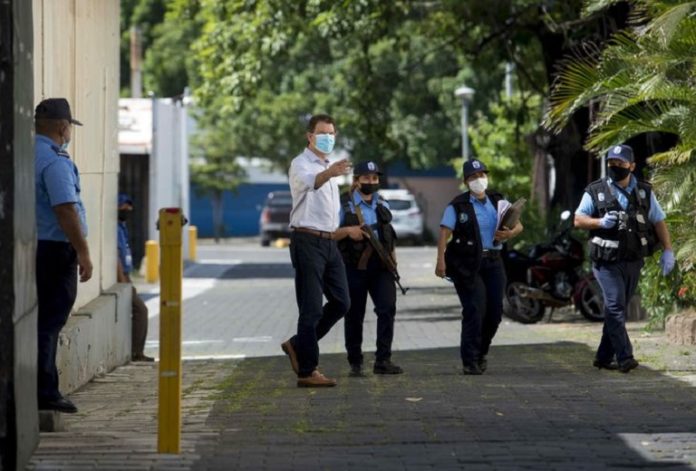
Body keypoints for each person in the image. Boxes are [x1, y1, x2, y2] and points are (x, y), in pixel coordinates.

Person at [574, 144, 674, 373]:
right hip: (606, 261)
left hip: (633, 260)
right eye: (611, 163)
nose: (615, 167)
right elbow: (578, 220)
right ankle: (625, 357)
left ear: (632, 165)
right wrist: (599, 222)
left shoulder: (644, 192)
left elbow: (658, 220)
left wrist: (668, 250)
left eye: (620, 163)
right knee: (615, 306)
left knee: (616, 309)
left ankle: (602, 356)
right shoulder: (595, 190)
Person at [280, 114, 352, 388]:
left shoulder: (328, 166)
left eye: (332, 133)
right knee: (310, 308)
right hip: (307, 240)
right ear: (309, 137)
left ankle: (298, 345)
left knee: (342, 302)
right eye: (323, 133)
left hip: (329, 242)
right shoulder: (301, 165)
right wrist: (330, 173)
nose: (328, 138)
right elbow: (312, 182)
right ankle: (307, 371)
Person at [435, 159, 523, 375]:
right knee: (475, 309)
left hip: (493, 261)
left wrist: (510, 234)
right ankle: (470, 360)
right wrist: (440, 260)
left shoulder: (497, 200)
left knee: (495, 312)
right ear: (466, 181)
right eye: (473, 177)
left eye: (482, 175)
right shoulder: (458, 205)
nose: (478, 180)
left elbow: (518, 224)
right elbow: (444, 233)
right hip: (467, 264)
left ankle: (481, 351)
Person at [34, 98, 92, 413]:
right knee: (50, 321)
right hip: (55, 249)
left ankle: (36, 388)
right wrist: (83, 252)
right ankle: (45, 392)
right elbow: (65, 208)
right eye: (69, 126)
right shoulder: (55, 160)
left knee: (36, 320)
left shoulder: (23, 153)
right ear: (62, 126)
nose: (69, 131)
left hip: (31, 245)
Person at [335, 161, 403, 377]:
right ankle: (355, 361)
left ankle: (383, 360)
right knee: (354, 314)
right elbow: (329, 233)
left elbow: (389, 236)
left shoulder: (382, 203)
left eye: (374, 178)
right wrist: (347, 231)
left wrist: (393, 261)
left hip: (381, 267)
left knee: (387, 309)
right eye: (366, 178)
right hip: (353, 267)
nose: (371, 182)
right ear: (356, 181)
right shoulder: (342, 205)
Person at [117, 193, 154, 362]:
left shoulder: (121, 227)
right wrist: (124, 281)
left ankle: (136, 351)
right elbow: (115, 254)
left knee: (138, 311)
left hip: (126, 277)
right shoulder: (115, 229)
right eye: (124, 207)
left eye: (129, 207)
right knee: (141, 310)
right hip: (121, 279)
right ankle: (136, 352)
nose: (128, 210)